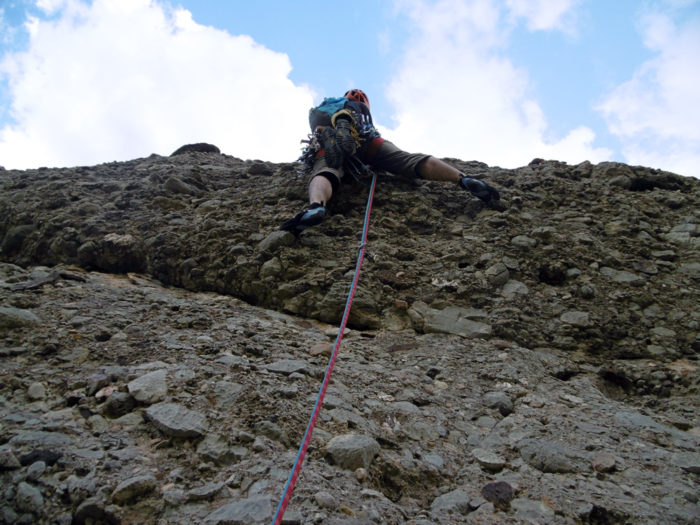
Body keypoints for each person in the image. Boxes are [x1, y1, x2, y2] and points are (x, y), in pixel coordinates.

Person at [281, 89, 501, 234]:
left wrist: (324, 131)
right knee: (407, 160)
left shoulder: (328, 105)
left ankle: (316, 205)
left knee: (325, 170)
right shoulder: (363, 112)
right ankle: (462, 179)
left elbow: (314, 121)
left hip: (329, 138)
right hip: (369, 140)